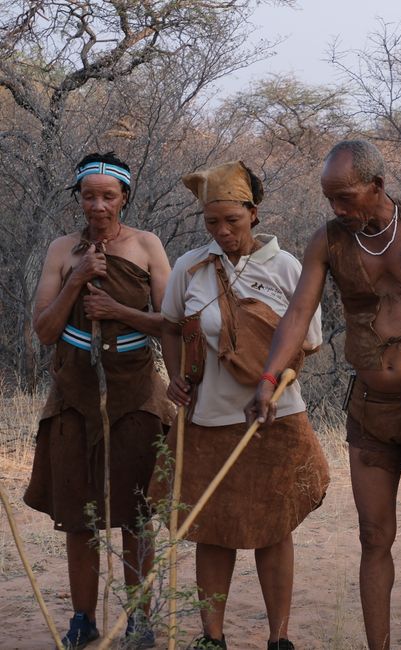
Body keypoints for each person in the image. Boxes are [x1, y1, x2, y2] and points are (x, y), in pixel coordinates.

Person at [245, 139, 401, 650]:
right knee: (374, 539)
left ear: (377, 186)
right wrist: (267, 380)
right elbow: (297, 314)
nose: (338, 209)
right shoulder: (327, 241)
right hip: (371, 413)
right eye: (330, 199)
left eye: (346, 198)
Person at [150, 161, 330, 650]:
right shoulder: (189, 266)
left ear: (254, 213)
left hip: (275, 418)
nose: (223, 231)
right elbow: (168, 325)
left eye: (232, 219)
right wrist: (175, 378)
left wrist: (272, 384)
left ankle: (279, 638)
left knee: (274, 529)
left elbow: (307, 342)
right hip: (208, 418)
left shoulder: (288, 266)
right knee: (213, 530)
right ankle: (212, 637)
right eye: (212, 222)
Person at [24, 152, 173, 648]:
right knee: (79, 517)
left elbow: (172, 323)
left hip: (136, 394)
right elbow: (45, 330)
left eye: (108, 196)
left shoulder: (147, 246)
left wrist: (115, 309)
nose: (98, 205)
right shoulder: (62, 250)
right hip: (74, 395)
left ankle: (139, 620)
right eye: (89, 195)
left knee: (136, 515)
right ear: (79, 198)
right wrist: (77, 277)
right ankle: (83, 620)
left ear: (124, 198)